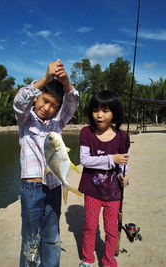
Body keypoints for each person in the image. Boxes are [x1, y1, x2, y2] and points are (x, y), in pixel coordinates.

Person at [13, 59, 79, 267]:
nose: (47, 108)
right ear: (36, 99)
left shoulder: (57, 123)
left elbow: (72, 102)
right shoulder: (25, 120)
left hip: (54, 185)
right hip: (31, 187)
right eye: (44, 101)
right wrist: (47, 78)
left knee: (51, 234)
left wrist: (66, 82)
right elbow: (19, 101)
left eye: (54, 106)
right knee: (31, 236)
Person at [78, 91, 130, 267]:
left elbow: (123, 162)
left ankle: (109, 260)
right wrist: (111, 159)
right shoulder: (86, 132)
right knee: (90, 227)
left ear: (114, 112)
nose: (99, 115)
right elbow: (84, 160)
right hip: (92, 191)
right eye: (95, 110)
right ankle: (87, 259)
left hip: (114, 193)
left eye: (105, 110)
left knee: (111, 230)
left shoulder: (123, 136)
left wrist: (124, 176)